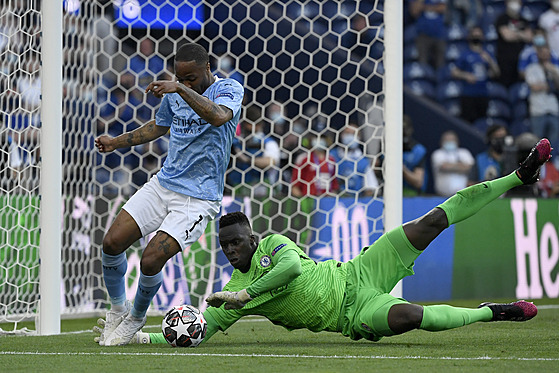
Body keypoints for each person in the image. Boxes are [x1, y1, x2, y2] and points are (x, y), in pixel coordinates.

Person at [94, 138, 550, 346]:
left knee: (430, 221)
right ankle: (496, 311)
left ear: (252, 236)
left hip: (358, 271)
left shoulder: (274, 247)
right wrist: (146, 337)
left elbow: (291, 271)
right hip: (352, 314)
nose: (233, 250)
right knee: (413, 318)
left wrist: (246, 292)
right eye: (226, 246)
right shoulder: (232, 293)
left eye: (237, 242)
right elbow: (199, 332)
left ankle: (518, 175)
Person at [93, 42, 244, 346]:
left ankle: (136, 319)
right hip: (163, 185)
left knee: (150, 261)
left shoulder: (229, 89)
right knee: (111, 242)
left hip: (198, 199)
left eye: (191, 78)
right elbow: (157, 127)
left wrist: (179, 88)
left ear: (207, 69)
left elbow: (218, 116)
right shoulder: (176, 95)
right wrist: (117, 142)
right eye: (181, 77)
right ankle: (119, 310)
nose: (186, 83)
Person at [451, 26, 500, 123]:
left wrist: (490, 61)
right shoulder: (465, 54)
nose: (476, 37)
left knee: (482, 122)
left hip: (483, 94)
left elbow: (497, 73)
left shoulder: (487, 54)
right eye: (474, 35)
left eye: (479, 35)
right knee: (468, 122)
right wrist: (465, 75)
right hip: (468, 94)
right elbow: (454, 72)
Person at [524, 43, 559, 149]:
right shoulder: (531, 69)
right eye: (542, 53)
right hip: (538, 110)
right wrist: (550, 85)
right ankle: (538, 165)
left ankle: (552, 164)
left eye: (546, 52)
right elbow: (534, 87)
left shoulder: (555, 68)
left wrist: (553, 72)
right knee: (538, 143)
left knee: (554, 142)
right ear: (538, 54)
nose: (544, 55)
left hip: (553, 109)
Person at [495, 0, 533, 87]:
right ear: (506, 3)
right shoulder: (502, 19)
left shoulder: (524, 20)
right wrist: (521, 34)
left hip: (521, 60)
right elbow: (507, 36)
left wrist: (514, 33)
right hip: (505, 60)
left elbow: (529, 37)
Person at [431, 130, 475, 197]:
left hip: (463, 195)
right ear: (441, 142)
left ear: (457, 141)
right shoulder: (438, 153)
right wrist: (461, 165)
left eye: (452, 140)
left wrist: (451, 166)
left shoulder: (464, 152)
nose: (449, 142)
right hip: (442, 196)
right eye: (447, 140)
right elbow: (444, 167)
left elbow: (470, 167)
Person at [409, 0, 448, 70]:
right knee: (422, 63)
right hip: (423, 35)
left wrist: (424, 7)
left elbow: (443, 8)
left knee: (440, 64)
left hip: (439, 34)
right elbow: (414, 11)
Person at [402, 115, 427, 196]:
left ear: (411, 130)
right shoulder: (385, 148)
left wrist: (402, 169)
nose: (403, 133)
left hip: (412, 195)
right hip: (386, 194)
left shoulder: (418, 150)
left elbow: (418, 182)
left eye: (405, 129)